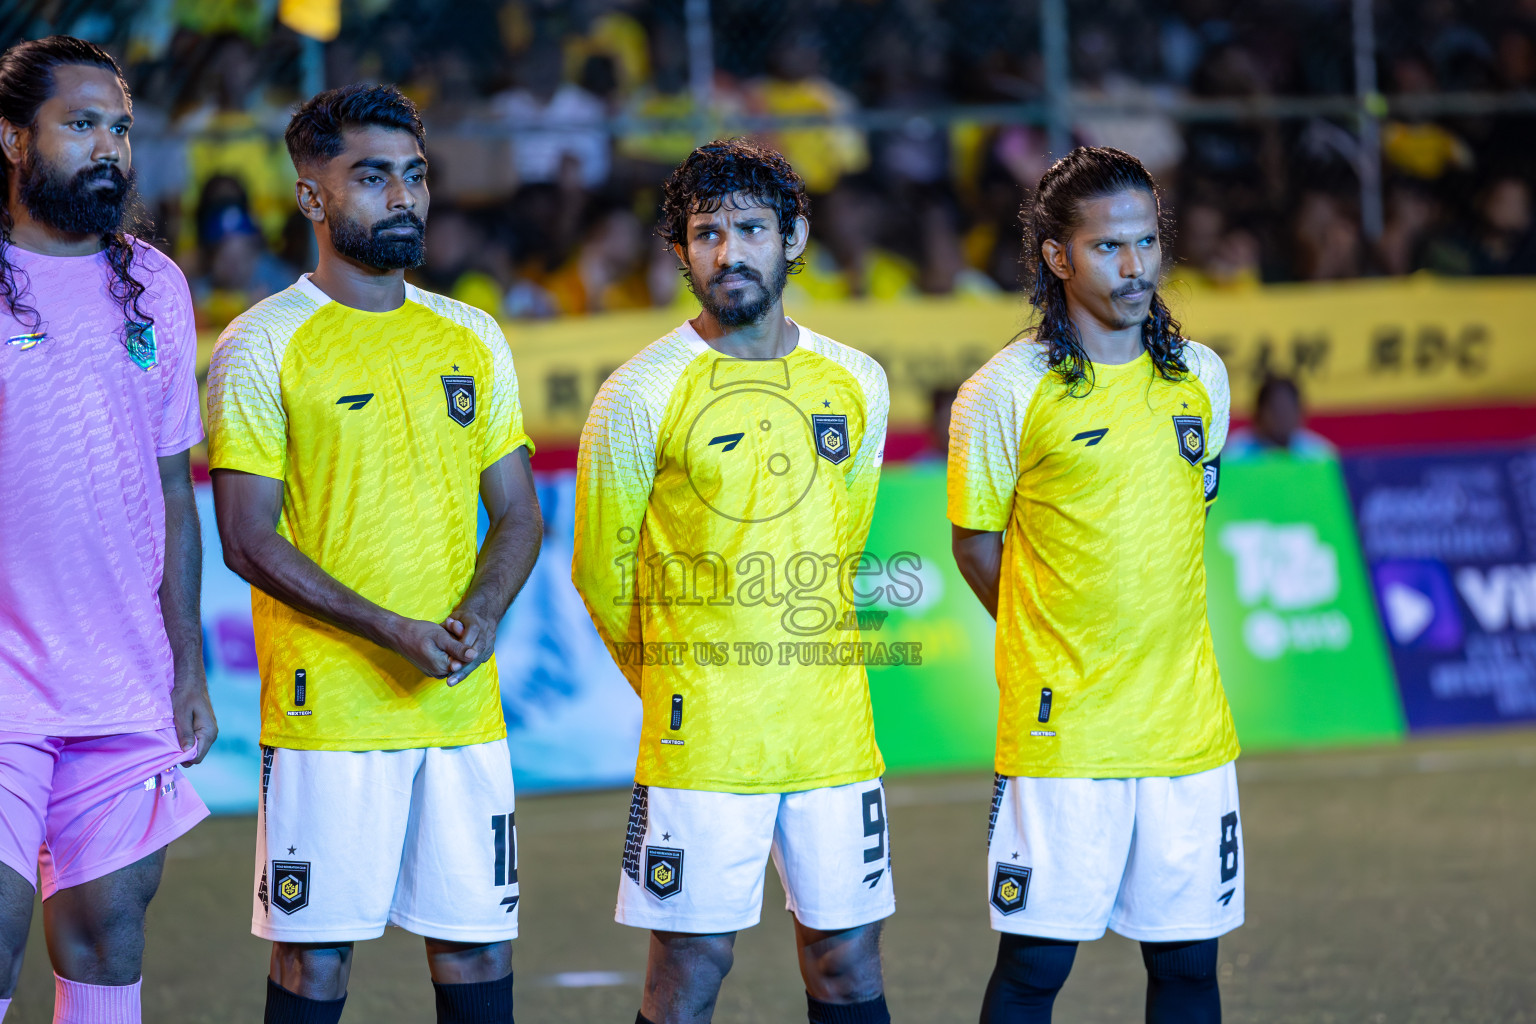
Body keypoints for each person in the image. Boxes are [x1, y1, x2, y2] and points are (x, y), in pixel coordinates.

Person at [205, 84, 543, 1024]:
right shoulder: (263, 343)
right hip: (329, 715)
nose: (403, 197)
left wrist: (478, 614)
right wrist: (389, 628)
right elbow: (244, 537)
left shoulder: (472, 335)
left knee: (477, 955)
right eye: (371, 177)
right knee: (315, 970)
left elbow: (517, 512)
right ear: (314, 197)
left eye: (414, 175)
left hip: (461, 706)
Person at [572, 139, 895, 1024]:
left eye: (750, 228)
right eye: (706, 233)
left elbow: (843, 544)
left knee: (848, 960)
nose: (729, 251)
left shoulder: (857, 382)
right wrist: (685, 684)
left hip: (832, 730)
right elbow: (602, 574)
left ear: (792, 238)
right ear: (680, 252)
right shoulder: (638, 393)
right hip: (703, 734)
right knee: (690, 967)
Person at [947, 146, 1240, 1023]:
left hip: (1187, 731)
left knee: (1189, 969)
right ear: (1057, 257)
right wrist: (1052, 637)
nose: (1135, 266)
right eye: (1110, 247)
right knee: (1036, 968)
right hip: (1064, 733)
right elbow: (974, 547)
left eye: (1147, 243)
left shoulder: (1203, 379)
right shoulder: (1004, 391)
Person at [0, 35, 216, 1024]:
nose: (109, 148)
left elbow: (174, 491)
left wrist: (186, 667)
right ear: (12, 138)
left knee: (108, 931)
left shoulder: (157, 287)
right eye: (81, 123)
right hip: (4, 673)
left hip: (121, 676)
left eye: (120, 127)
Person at [1224, 375, 1334, 460]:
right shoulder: (1234, 454)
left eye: (1287, 409)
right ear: (1258, 414)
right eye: (1275, 409)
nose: (1282, 416)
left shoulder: (1318, 454)